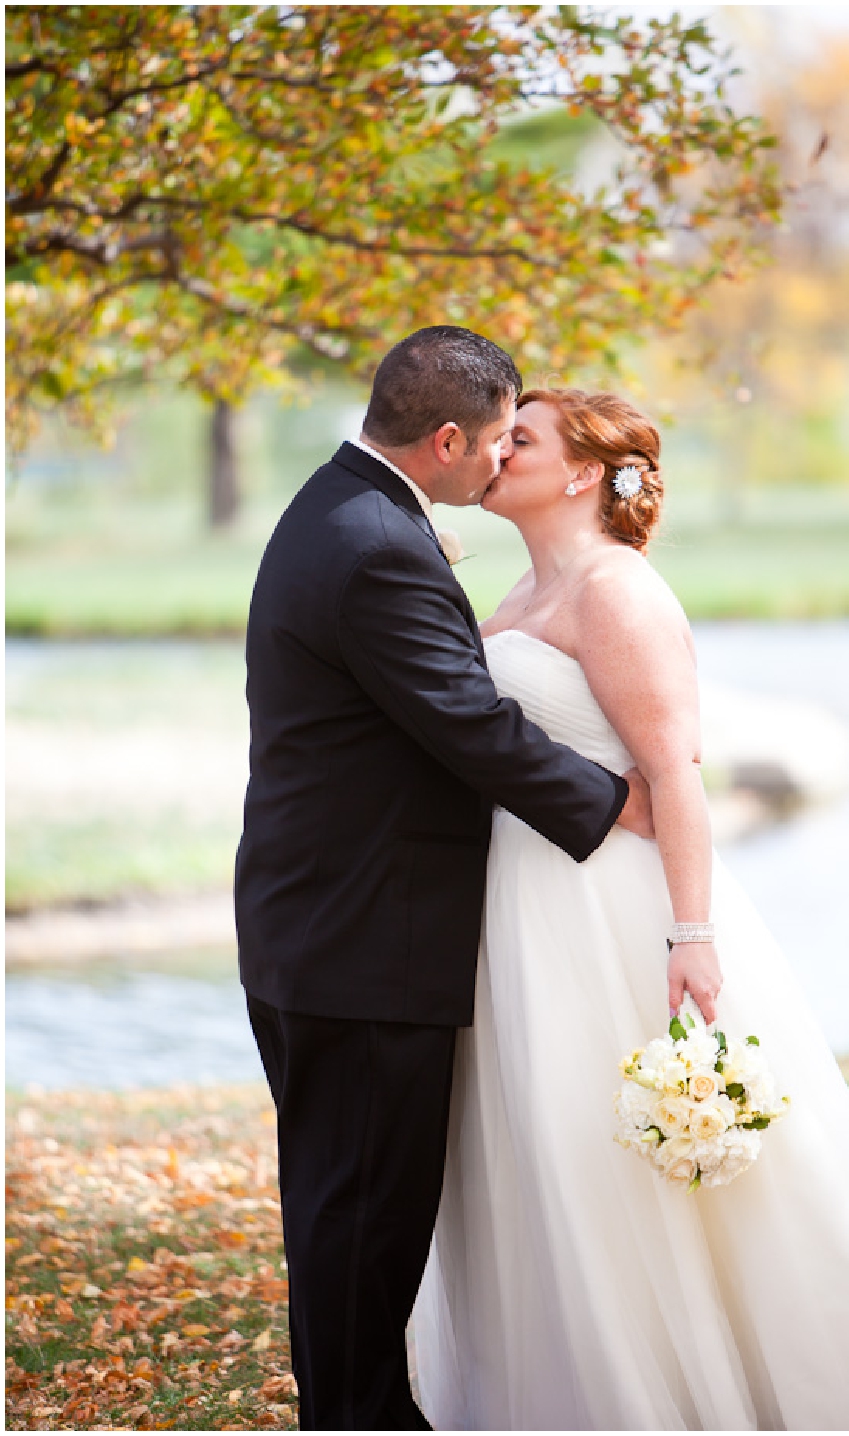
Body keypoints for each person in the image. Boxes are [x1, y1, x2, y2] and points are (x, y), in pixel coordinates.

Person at [413, 387, 849, 1431]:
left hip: (610, 911)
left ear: (581, 471)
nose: (495, 449)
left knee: (623, 1156)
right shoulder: (521, 591)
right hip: (515, 905)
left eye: (517, 437)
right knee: (545, 1152)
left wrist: (691, 934)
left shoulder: (617, 591)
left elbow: (678, 774)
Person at [234, 331, 657, 1431]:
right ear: (447, 437)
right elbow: (472, 727)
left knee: (343, 1209)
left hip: (320, 923)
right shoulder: (377, 543)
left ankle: (356, 1408)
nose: (500, 459)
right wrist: (620, 803)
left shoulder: (336, 508)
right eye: (497, 438)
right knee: (363, 1217)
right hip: (365, 938)